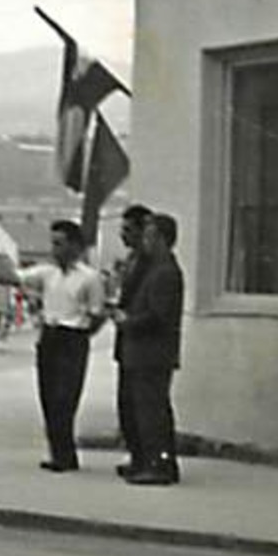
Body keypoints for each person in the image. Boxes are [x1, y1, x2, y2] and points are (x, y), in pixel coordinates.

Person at [19, 219, 106, 472]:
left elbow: (97, 313)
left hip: (72, 338)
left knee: (65, 398)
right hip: (50, 336)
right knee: (48, 396)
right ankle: (58, 453)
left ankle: (66, 455)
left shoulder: (90, 278)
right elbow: (18, 277)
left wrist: (83, 334)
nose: (54, 249)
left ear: (75, 247)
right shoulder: (48, 274)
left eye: (59, 244)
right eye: (53, 243)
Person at [115, 213, 185, 486]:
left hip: (152, 354)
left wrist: (128, 321)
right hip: (140, 353)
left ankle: (160, 465)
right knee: (140, 411)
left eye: (149, 236)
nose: (144, 241)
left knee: (152, 412)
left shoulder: (165, 272)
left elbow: (158, 316)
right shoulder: (152, 268)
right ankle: (146, 461)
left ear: (161, 239)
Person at [110, 204, 152, 478]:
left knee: (141, 406)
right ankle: (137, 456)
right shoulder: (132, 261)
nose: (122, 235)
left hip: (141, 344)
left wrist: (126, 318)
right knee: (126, 405)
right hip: (127, 344)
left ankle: (146, 459)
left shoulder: (148, 263)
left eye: (128, 230)